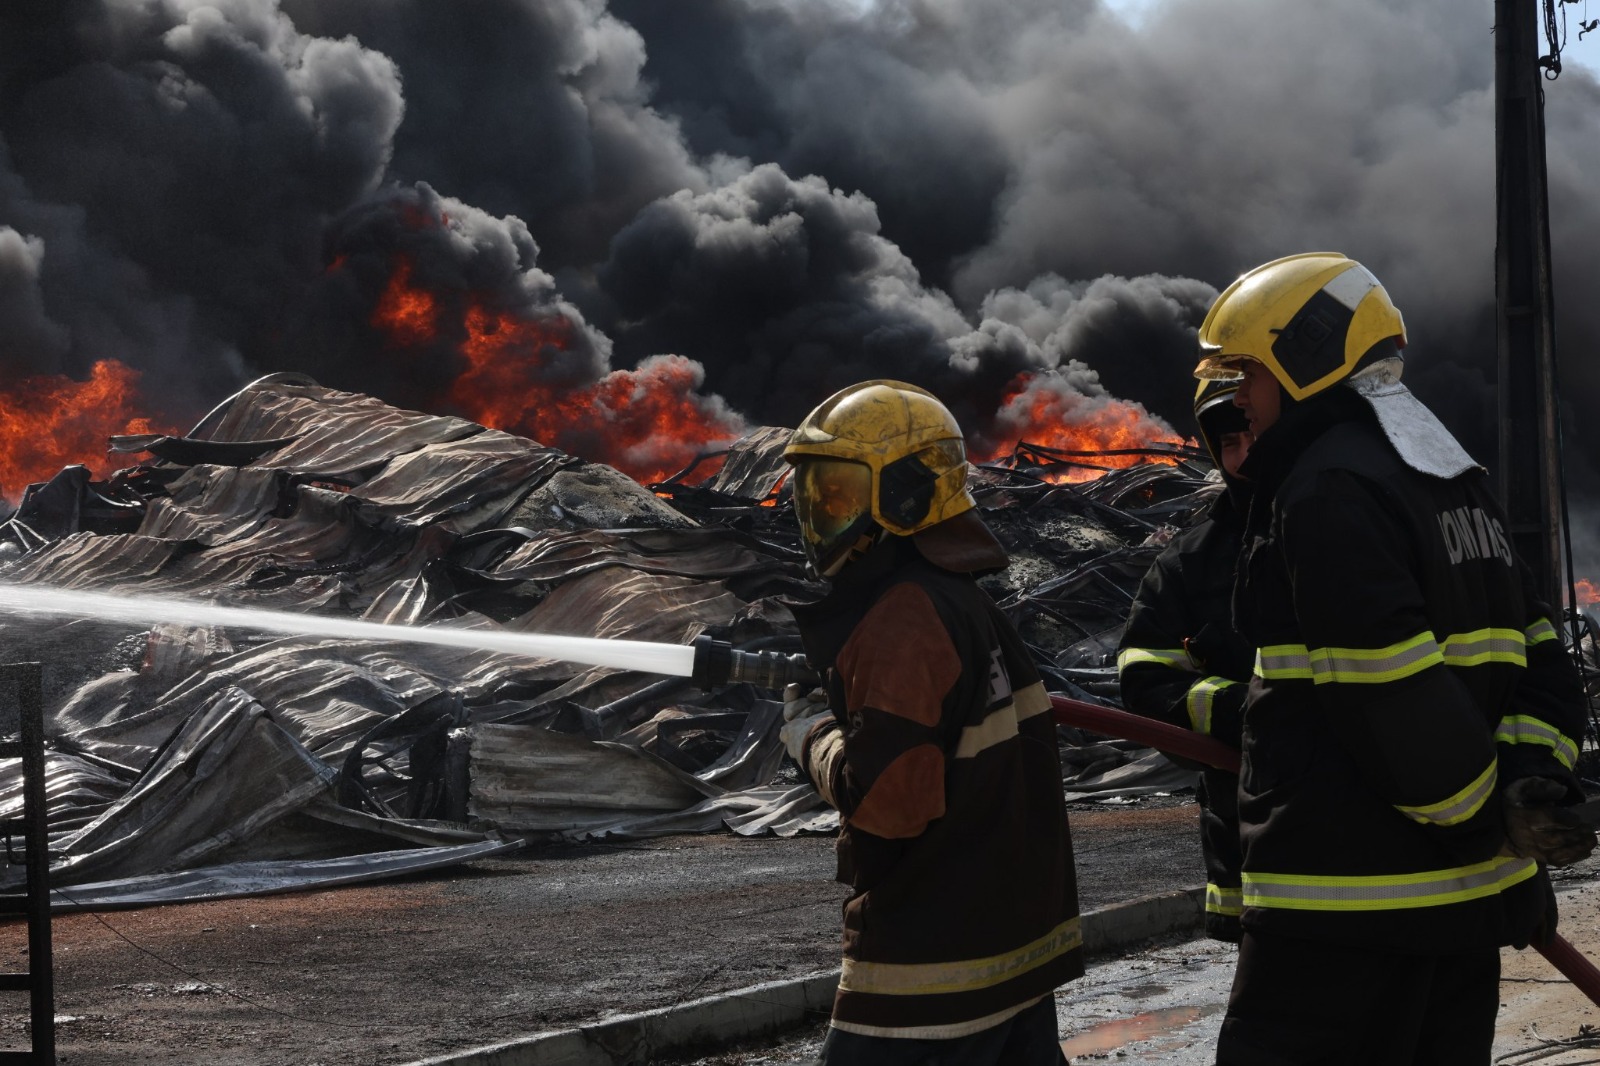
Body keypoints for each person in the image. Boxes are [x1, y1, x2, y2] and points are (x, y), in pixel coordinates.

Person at [1193, 252, 1597, 1065]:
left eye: (1250, 374)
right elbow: (1542, 656)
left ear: (1306, 361)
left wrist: (1478, 818)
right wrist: (1527, 782)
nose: (1238, 400)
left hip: (1345, 923)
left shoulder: (1327, 489)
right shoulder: (1450, 477)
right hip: (1461, 922)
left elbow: (1390, 689)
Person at [777, 379, 1082, 1065]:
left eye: (840, 496)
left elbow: (891, 804)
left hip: (932, 968)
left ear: (907, 497)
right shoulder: (962, 601)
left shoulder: (906, 618)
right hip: (1012, 951)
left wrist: (811, 736)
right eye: (815, 497)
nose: (822, 517)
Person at [1117, 377, 1255, 943]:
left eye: (1253, 436)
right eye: (1229, 444)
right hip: (1246, 839)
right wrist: (1240, 711)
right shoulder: (1188, 563)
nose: (1243, 457)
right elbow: (1144, 680)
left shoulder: (1353, 531)